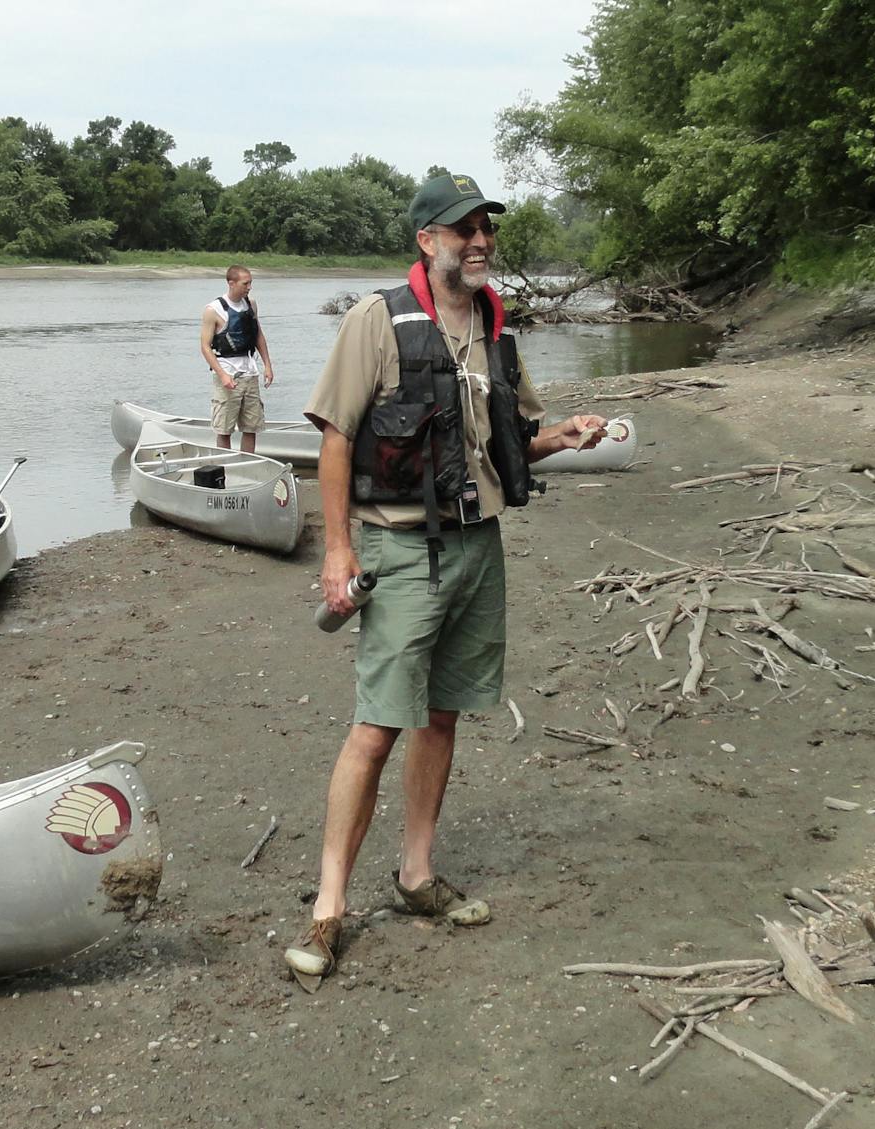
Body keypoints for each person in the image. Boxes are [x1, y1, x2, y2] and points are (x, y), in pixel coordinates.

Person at [284, 172, 608, 988]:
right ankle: (328, 909)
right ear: (426, 240)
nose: (480, 241)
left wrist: (561, 437)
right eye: (462, 228)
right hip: (398, 552)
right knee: (377, 724)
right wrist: (336, 550)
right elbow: (334, 439)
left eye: (485, 228)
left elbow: (513, 441)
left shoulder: (496, 321)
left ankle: (417, 876)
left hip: (478, 546)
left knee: (442, 712)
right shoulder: (377, 320)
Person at [200, 265, 275, 452]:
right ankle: (224, 465)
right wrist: (223, 375)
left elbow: (258, 335)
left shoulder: (251, 304)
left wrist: (267, 365)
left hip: (250, 372)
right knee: (224, 429)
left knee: (251, 427)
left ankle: (248, 463)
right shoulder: (213, 310)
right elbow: (205, 347)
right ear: (231, 283)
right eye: (245, 283)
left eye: (250, 283)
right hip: (228, 372)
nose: (249, 287)